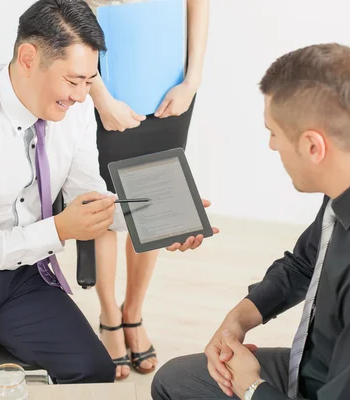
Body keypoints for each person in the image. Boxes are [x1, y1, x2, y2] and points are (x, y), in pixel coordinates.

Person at [0, 0, 211, 390]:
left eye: (89, 81)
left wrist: (164, 216)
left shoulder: (75, 111)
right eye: (73, 80)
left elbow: (90, 200)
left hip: (21, 278)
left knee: (94, 372)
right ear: (28, 58)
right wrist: (59, 229)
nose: (83, 97)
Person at [151, 43, 350, 400]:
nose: (271, 145)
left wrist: (252, 387)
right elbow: (304, 263)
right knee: (175, 382)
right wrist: (238, 320)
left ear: (314, 147)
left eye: (273, 133)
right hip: (323, 366)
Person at [83, 0, 210, 380]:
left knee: (153, 202)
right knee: (104, 207)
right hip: (107, 87)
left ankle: (133, 312)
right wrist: (99, 94)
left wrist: (193, 80)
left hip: (172, 90)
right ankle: (108, 315)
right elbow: (72, 10)